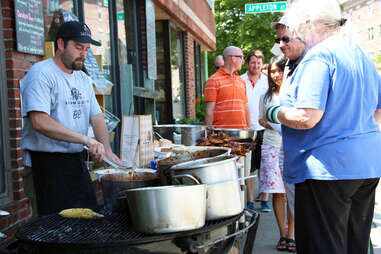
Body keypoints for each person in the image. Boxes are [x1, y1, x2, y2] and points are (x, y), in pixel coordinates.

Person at [266, 0, 381, 253]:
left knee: (323, 246)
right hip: (366, 166)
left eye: (297, 27)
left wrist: (276, 112)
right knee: (355, 245)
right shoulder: (360, 54)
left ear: (309, 24)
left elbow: (308, 117)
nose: (296, 33)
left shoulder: (320, 56)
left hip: (326, 170)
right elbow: (378, 112)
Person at [21, 21, 121, 216]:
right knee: (50, 230)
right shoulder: (41, 74)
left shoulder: (83, 78)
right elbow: (39, 122)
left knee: (85, 223)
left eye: (86, 49)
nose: (83, 54)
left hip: (75, 163)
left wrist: (107, 152)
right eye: (78, 47)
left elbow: (97, 117)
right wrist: (85, 139)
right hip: (45, 165)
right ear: (60, 44)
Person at [270, 13, 307, 218]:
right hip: (290, 149)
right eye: (278, 40)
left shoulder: (313, 63)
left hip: (308, 158)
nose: (281, 44)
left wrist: (275, 113)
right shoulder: (289, 64)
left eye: (286, 39)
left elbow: (307, 117)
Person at [258, 55, 295, 252]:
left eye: (280, 70)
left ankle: (292, 235)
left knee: (292, 193)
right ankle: (282, 233)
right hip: (271, 146)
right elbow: (261, 120)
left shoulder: (294, 93)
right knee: (278, 193)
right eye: (273, 71)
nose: (276, 74)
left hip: (291, 147)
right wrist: (273, 122)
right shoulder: (266, 96)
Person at [240, 50, 269, 211]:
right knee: (249, 166)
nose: (256, 65)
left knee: (265, 166)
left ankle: (265, 199)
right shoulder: (240, 81)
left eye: (258, 63)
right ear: (247, 63)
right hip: (247, 129)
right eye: (253, 62)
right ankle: (250, 200)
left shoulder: (267, 81)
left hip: (265, 128)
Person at [204, 46, 250, 129]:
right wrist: (209, 133)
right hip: (221, 135)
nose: (243, 61)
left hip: (242, 134)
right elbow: (209, 110)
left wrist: (249, 129)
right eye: (241, 57)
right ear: (233, 58)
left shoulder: (241, 81)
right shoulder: (213, 80)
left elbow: (245, 107)